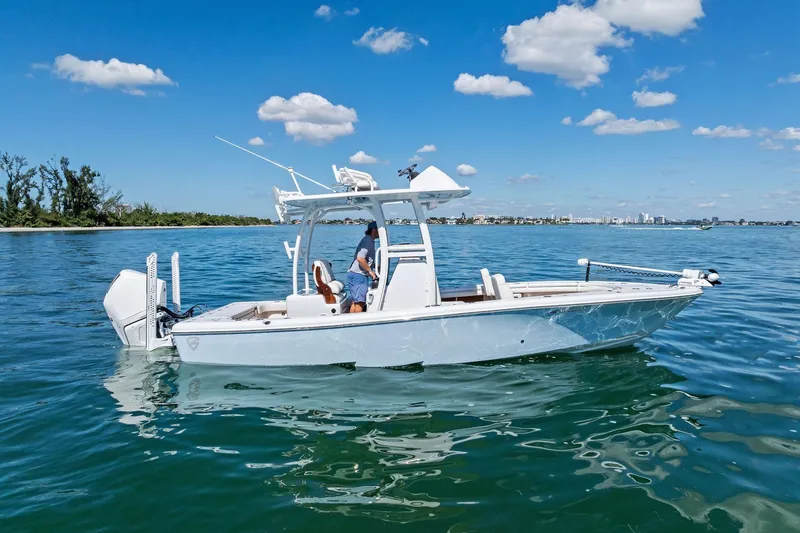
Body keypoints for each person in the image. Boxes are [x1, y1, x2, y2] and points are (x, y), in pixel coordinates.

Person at [346, 220, 379, 313]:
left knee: (355, 302)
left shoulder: (367, 240)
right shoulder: (368, 242)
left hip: (353, 273)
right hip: (359, 276)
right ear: (374, 230)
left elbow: (365, 258)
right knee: (360, 303)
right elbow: (360, 258)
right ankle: (356, 321)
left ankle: (351, 320)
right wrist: (370, 271)